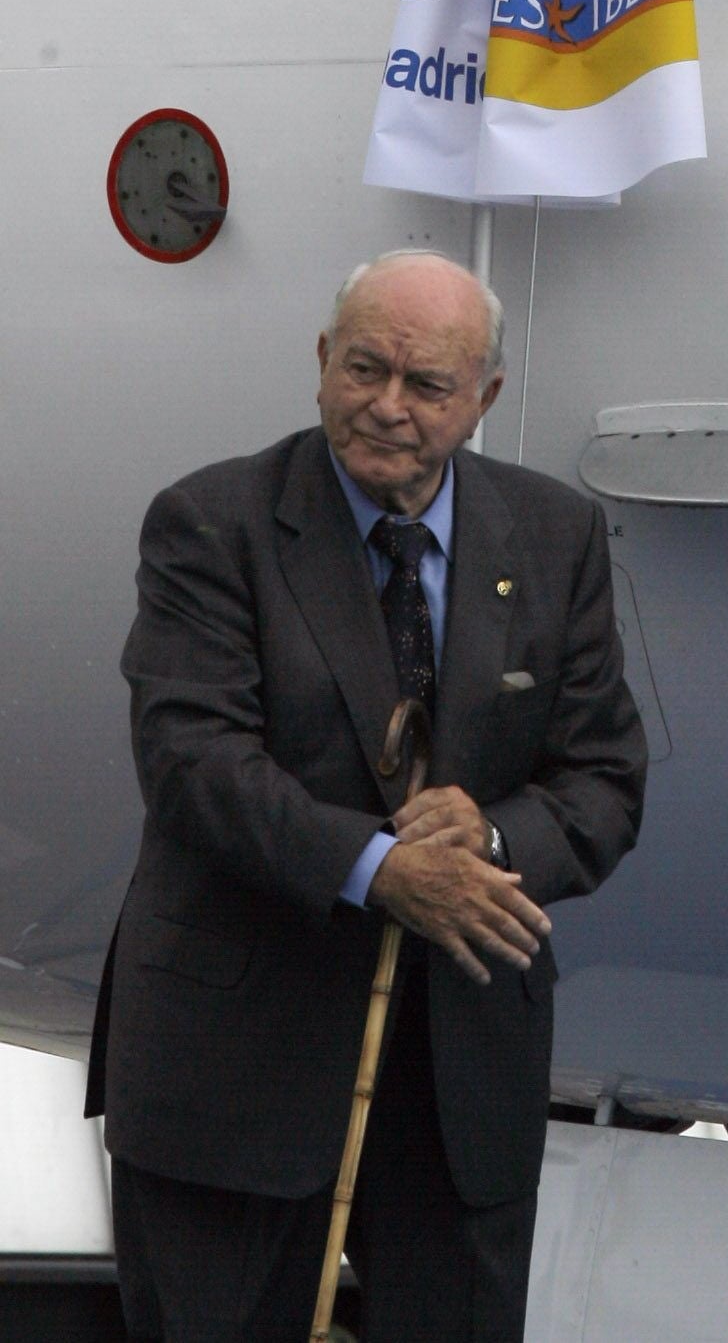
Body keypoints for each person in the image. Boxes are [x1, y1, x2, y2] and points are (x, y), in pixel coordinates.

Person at [88, 249, 648, 1343]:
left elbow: (604, 779)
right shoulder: (211, 520)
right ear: (320, 360)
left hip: (459, 1088)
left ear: (483, 396)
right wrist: (381, 869)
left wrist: (491, 835)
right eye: (363, 368)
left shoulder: (554, 536)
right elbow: (192, 759)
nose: (388, 404)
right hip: (231, 1077)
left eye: (426, 383)